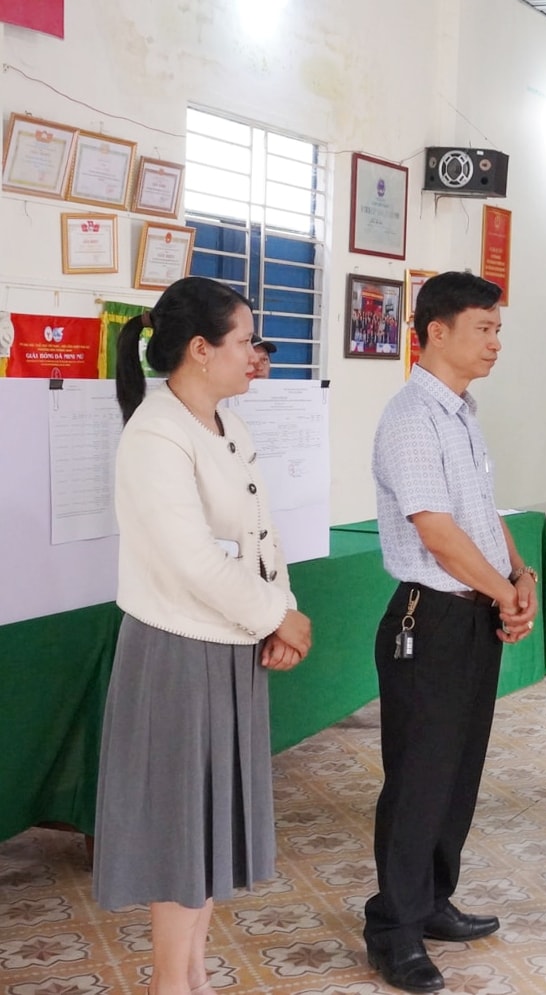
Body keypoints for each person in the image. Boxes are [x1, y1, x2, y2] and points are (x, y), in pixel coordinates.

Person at [96, 277, 312, 995]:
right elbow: (190, 560)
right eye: (247, 341)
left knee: (211, 830)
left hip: (232, 643)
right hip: (177, 650)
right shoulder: (155, 433)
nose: (257, 355)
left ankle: (193, 976)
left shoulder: (226, 426)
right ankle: (170, 982)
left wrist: (280, 607)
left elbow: (259, 534)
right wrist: (274, 615)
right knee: (179, 835)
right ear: (199, 348)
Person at [363, 271, 538, 993]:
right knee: (418, 778)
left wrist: (520, 574)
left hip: (474, 613)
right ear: (437, 331)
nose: (496, 342)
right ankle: (394, 930)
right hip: (429, 618)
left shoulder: (461, 412)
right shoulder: (411, 417)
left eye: (498, 329)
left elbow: (480, 511)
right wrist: (503, 592)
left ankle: (433, 900)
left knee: (458, 771)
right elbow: (435, 531)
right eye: (484, 328)